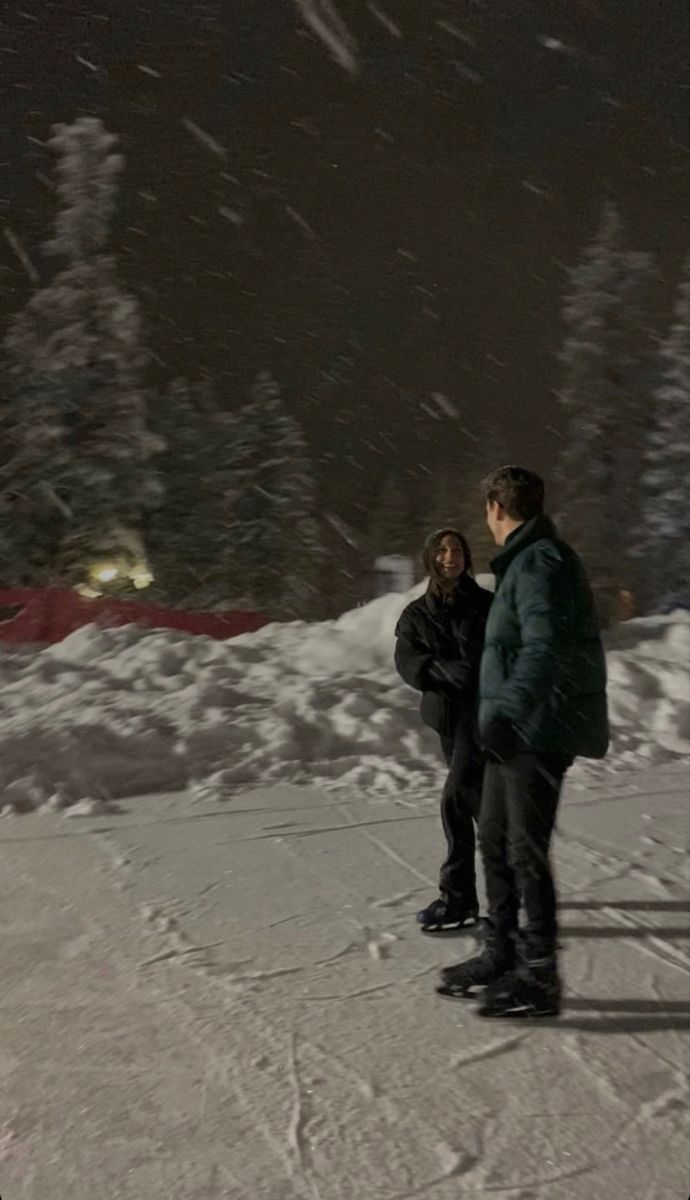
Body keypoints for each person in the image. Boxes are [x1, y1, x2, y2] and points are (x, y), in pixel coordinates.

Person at [438, 467, 608, 1017]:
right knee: (492, 838)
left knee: (523, 851)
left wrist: (507, 712)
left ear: (495, 508)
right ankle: (501, 951)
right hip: (513, 732)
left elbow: (543, 647)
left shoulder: (540, 563)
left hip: (537, 729)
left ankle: (539, 975)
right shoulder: (524, 564)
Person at [395, 529, 493, 931]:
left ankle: (457, 899)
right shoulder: (417, 613)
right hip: (447, 721)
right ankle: (515, 892)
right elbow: (406, 659)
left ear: (467, 558)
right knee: (482, 809)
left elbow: (509, 649)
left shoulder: (487, 605)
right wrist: (437, 669)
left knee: (455, 802)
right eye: (442, 550)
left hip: (483, 718)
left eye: (456, 550)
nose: (450, 557)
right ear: (431, 558)